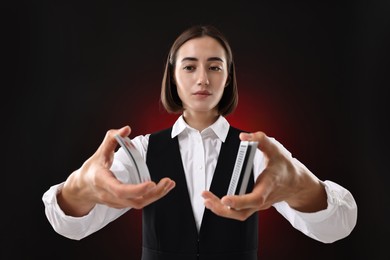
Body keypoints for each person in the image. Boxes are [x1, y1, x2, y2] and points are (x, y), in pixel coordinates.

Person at [42, 25, 357, 260]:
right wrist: (81, 187)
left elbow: (338, 227)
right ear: (173, 76)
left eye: (214, 67)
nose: (202, 79)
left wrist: (302, 187)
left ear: (229, 77)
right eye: (190, 66)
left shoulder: (259, 152)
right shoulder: (140, 151)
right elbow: (70, 227)